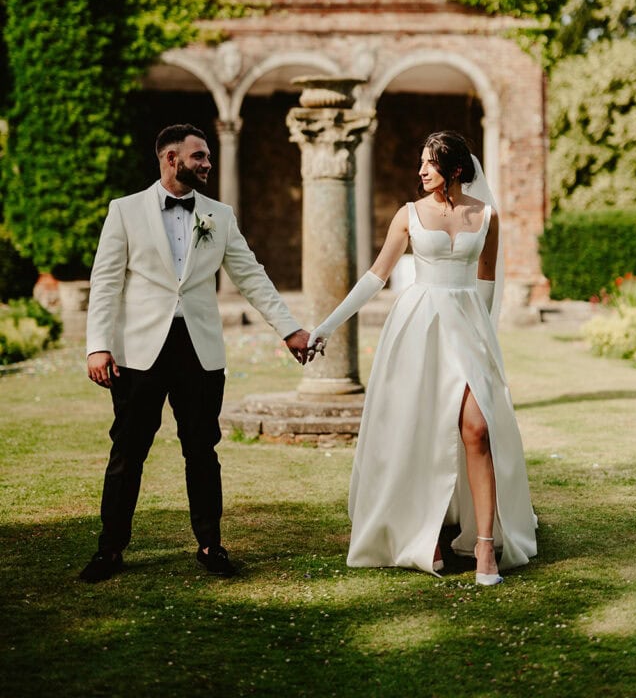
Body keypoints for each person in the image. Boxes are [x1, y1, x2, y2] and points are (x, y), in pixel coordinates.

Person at [80, 123, 310, 582]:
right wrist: (98, 346)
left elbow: (252, 276)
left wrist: (289, 329)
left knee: (202, 451)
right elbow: (105, 282)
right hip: (138, 354)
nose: (208, 163)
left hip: (200, 353)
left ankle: (210, 545)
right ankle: (110, 550)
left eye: (206, 156)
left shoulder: (219, 215)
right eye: (200, 156)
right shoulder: (124, 211)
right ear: (171, 159)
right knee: (128, 451)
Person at [307, 130, 537, 584]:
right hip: (419, 328)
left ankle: (485, 547)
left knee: (478, 428)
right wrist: (326, 326)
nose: (421, 171)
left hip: (469, 327)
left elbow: (487, 283)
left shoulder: (488, 216)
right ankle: (422, 534)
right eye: (421, 162)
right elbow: (375, 277)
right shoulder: (408, 216)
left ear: (454, 169)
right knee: (419, 429)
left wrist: (485, 340)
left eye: (430, 163)